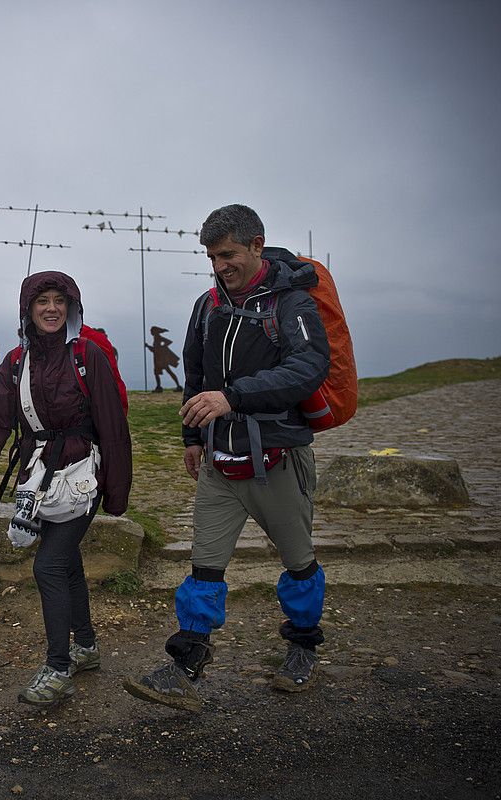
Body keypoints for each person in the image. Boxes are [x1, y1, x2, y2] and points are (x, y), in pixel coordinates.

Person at [124, 204, 330, 712]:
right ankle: (184, 667)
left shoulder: (293, 304)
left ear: (257, 245)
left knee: (299, 564)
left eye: (228, 254)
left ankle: (303, 647)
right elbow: (194, 376)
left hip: (278, 458)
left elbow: (309, 367)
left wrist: (233, 398)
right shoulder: (207, 306)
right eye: (212, 257)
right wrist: (190, 439)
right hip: (219, 459)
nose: (219, 266)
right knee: (204, 569)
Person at [0, 271, 132, 707]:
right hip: (38, 476)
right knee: (66, 560)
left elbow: (113, 425)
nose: (51, 308)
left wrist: (116, 491)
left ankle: (58, 669)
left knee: (49, 566)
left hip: (82, 475)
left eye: (60, 300)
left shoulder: (88, 356)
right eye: (43, 302)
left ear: (71, 306)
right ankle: (87, 648)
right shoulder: (16, 362)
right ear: (28, 310)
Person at [145, 325, 182, 392]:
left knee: (167, 371)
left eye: (151, 331)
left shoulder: (158, 337)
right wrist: (148, 346)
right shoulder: (156, 338)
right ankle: (159, 386)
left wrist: (162, 347)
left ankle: (177, 386)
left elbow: (168, 342)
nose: (150, 332)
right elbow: (155, 349)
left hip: (160, 359)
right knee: (158, 372)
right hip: (158, 358)